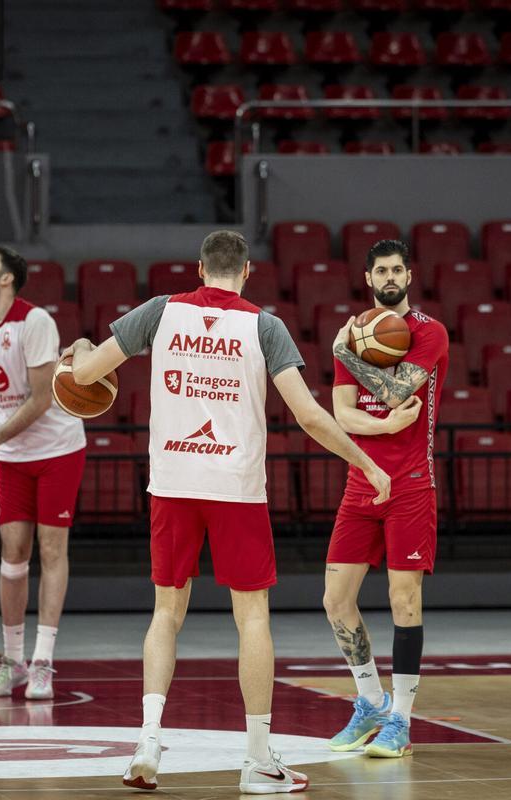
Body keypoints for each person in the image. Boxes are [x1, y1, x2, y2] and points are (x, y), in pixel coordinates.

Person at [66, 230, 392, 795]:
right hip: (236, 487)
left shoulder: (160, 311)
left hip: (173, 482)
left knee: (166, 612)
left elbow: (85, 375)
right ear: (246, 273)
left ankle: (148, 740)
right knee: (253, 618)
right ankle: (258, 759)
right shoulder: (264, 326)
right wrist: (365, 461)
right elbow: (309, 415)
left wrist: (78, 349)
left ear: (199, 269)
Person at [322, 239, 449, 758]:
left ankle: (401, 720)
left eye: (397, 269)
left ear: (409, 276)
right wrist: (383, 424)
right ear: (368, 278)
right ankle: (372, 701)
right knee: (335, 600)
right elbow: (342, 414)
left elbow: (399, 392)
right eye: (381, 271)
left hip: (411, 484)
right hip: (361, 481)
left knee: (404, 599)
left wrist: (344, 354)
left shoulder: (428, 331)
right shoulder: (355, 331)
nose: (390, 277)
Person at [0, 246, 87, 702]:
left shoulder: (35, 322)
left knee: (51, 550)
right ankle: (13, 662)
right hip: (12, 453)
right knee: (13, 556)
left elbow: (41, 398)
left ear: (8, 278)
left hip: (57, 449)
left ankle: (43, 663)